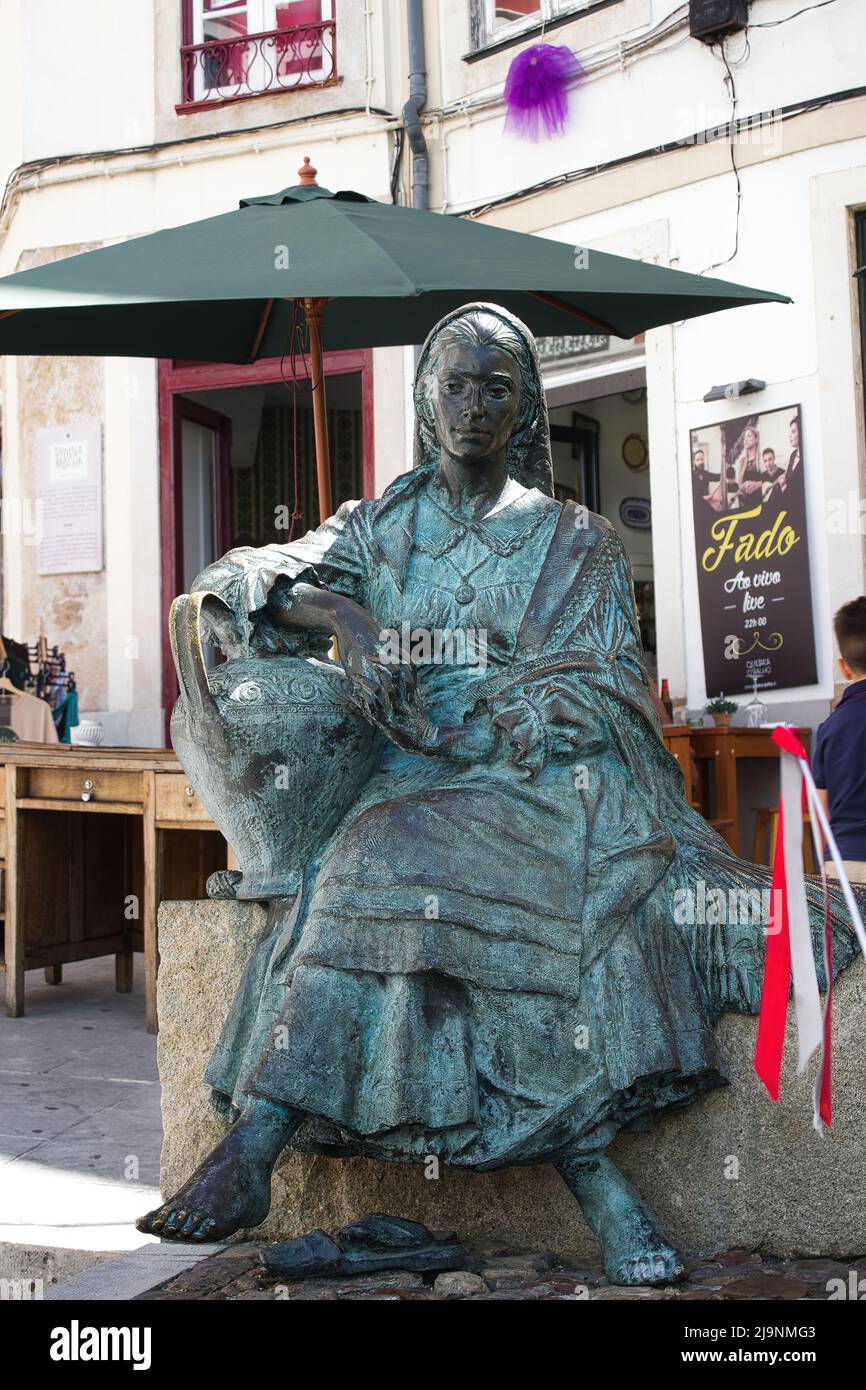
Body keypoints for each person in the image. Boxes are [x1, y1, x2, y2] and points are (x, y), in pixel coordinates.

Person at [138, 303, 859, 1285]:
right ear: (426, 402)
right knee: (373, 849)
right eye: (453, 385)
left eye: (494, 387)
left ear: (521, 406)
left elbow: (607, 685)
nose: (471, 406)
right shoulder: (387, 523)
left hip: (545, 775)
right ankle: (268, 1146)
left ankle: (287, 1141)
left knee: (441, 868)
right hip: (410, 774)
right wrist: (344, 613)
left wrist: (505, 708)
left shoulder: (575, 539)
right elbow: (245, 575)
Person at [814, 598, 866, 885]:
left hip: (844, 861)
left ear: (844, 668)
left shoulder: (829, 728)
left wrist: (824, 864)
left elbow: (821, 810)